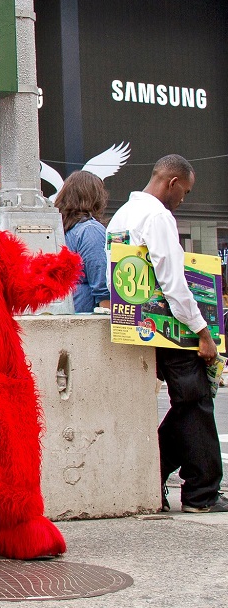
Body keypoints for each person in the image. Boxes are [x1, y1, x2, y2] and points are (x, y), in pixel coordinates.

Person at [107, 154, 227, 513]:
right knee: (195, 400)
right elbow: (173, 282)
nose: (183, 200)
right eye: (185, 192)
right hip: (172, 329)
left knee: (189, 401)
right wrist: (204, 333)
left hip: (138, 327)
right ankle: (200, 493)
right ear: (172, 182)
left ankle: (160, 473)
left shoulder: (121, 215)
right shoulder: (158, 216)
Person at [56, 171, 111, 313]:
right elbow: (100, 277)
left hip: (65, 310)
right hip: (86, 315)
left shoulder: (59, 229)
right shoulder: (90, 229)